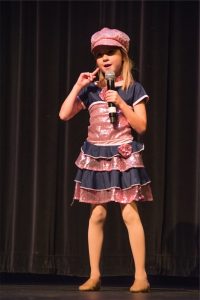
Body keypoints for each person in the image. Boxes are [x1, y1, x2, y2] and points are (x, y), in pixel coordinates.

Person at [59, 27, 153, 293]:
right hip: (97, 156)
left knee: (129, 214)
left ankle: (141, 276)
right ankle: (94, 274)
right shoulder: (90, 91)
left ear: (123, 55)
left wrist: (121, 103)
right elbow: (64, 114)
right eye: (100, 54)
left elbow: (142, 125)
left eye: (110, 52)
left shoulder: (133, 88)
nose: (104, 58)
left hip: (123, 155)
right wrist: (79, 85)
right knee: (97, 214)